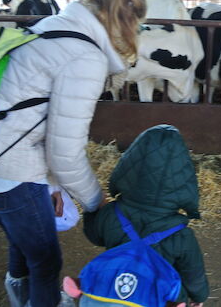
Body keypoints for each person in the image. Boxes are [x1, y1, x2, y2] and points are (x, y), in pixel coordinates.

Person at [0, 0, 147, 307]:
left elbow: (33, 116)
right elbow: (65, 152)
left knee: (25, 236)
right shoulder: (86, 57)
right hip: (9, 165)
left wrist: (53, 186)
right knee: (46, 261)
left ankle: (19, 290)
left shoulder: (54, 26)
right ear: (128, 23)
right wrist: (96, 202)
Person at [74, 124, 209, 307]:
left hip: (111, 293)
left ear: (129, 167)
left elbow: (94, 235)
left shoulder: (111, 214)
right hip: (156, 298)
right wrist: (199, 297)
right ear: (183, 182)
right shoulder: (182, 236)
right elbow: (193, 274)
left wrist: (93, 211)